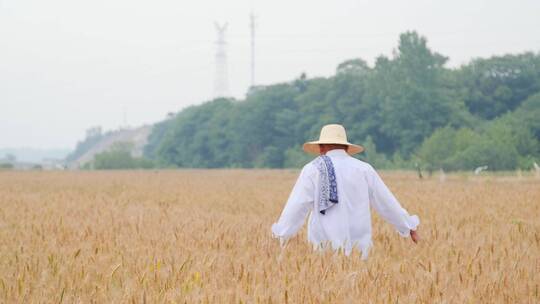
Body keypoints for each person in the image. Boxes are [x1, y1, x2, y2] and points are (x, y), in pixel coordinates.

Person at [271, 124, 420, 259]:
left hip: (323, 255)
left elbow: (297, 206)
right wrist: (408, 226)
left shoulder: (312, 169)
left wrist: (281, 235)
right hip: (360, 253)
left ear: (322, 148)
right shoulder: (364, 169)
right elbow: (386, 202)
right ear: (347, 149)